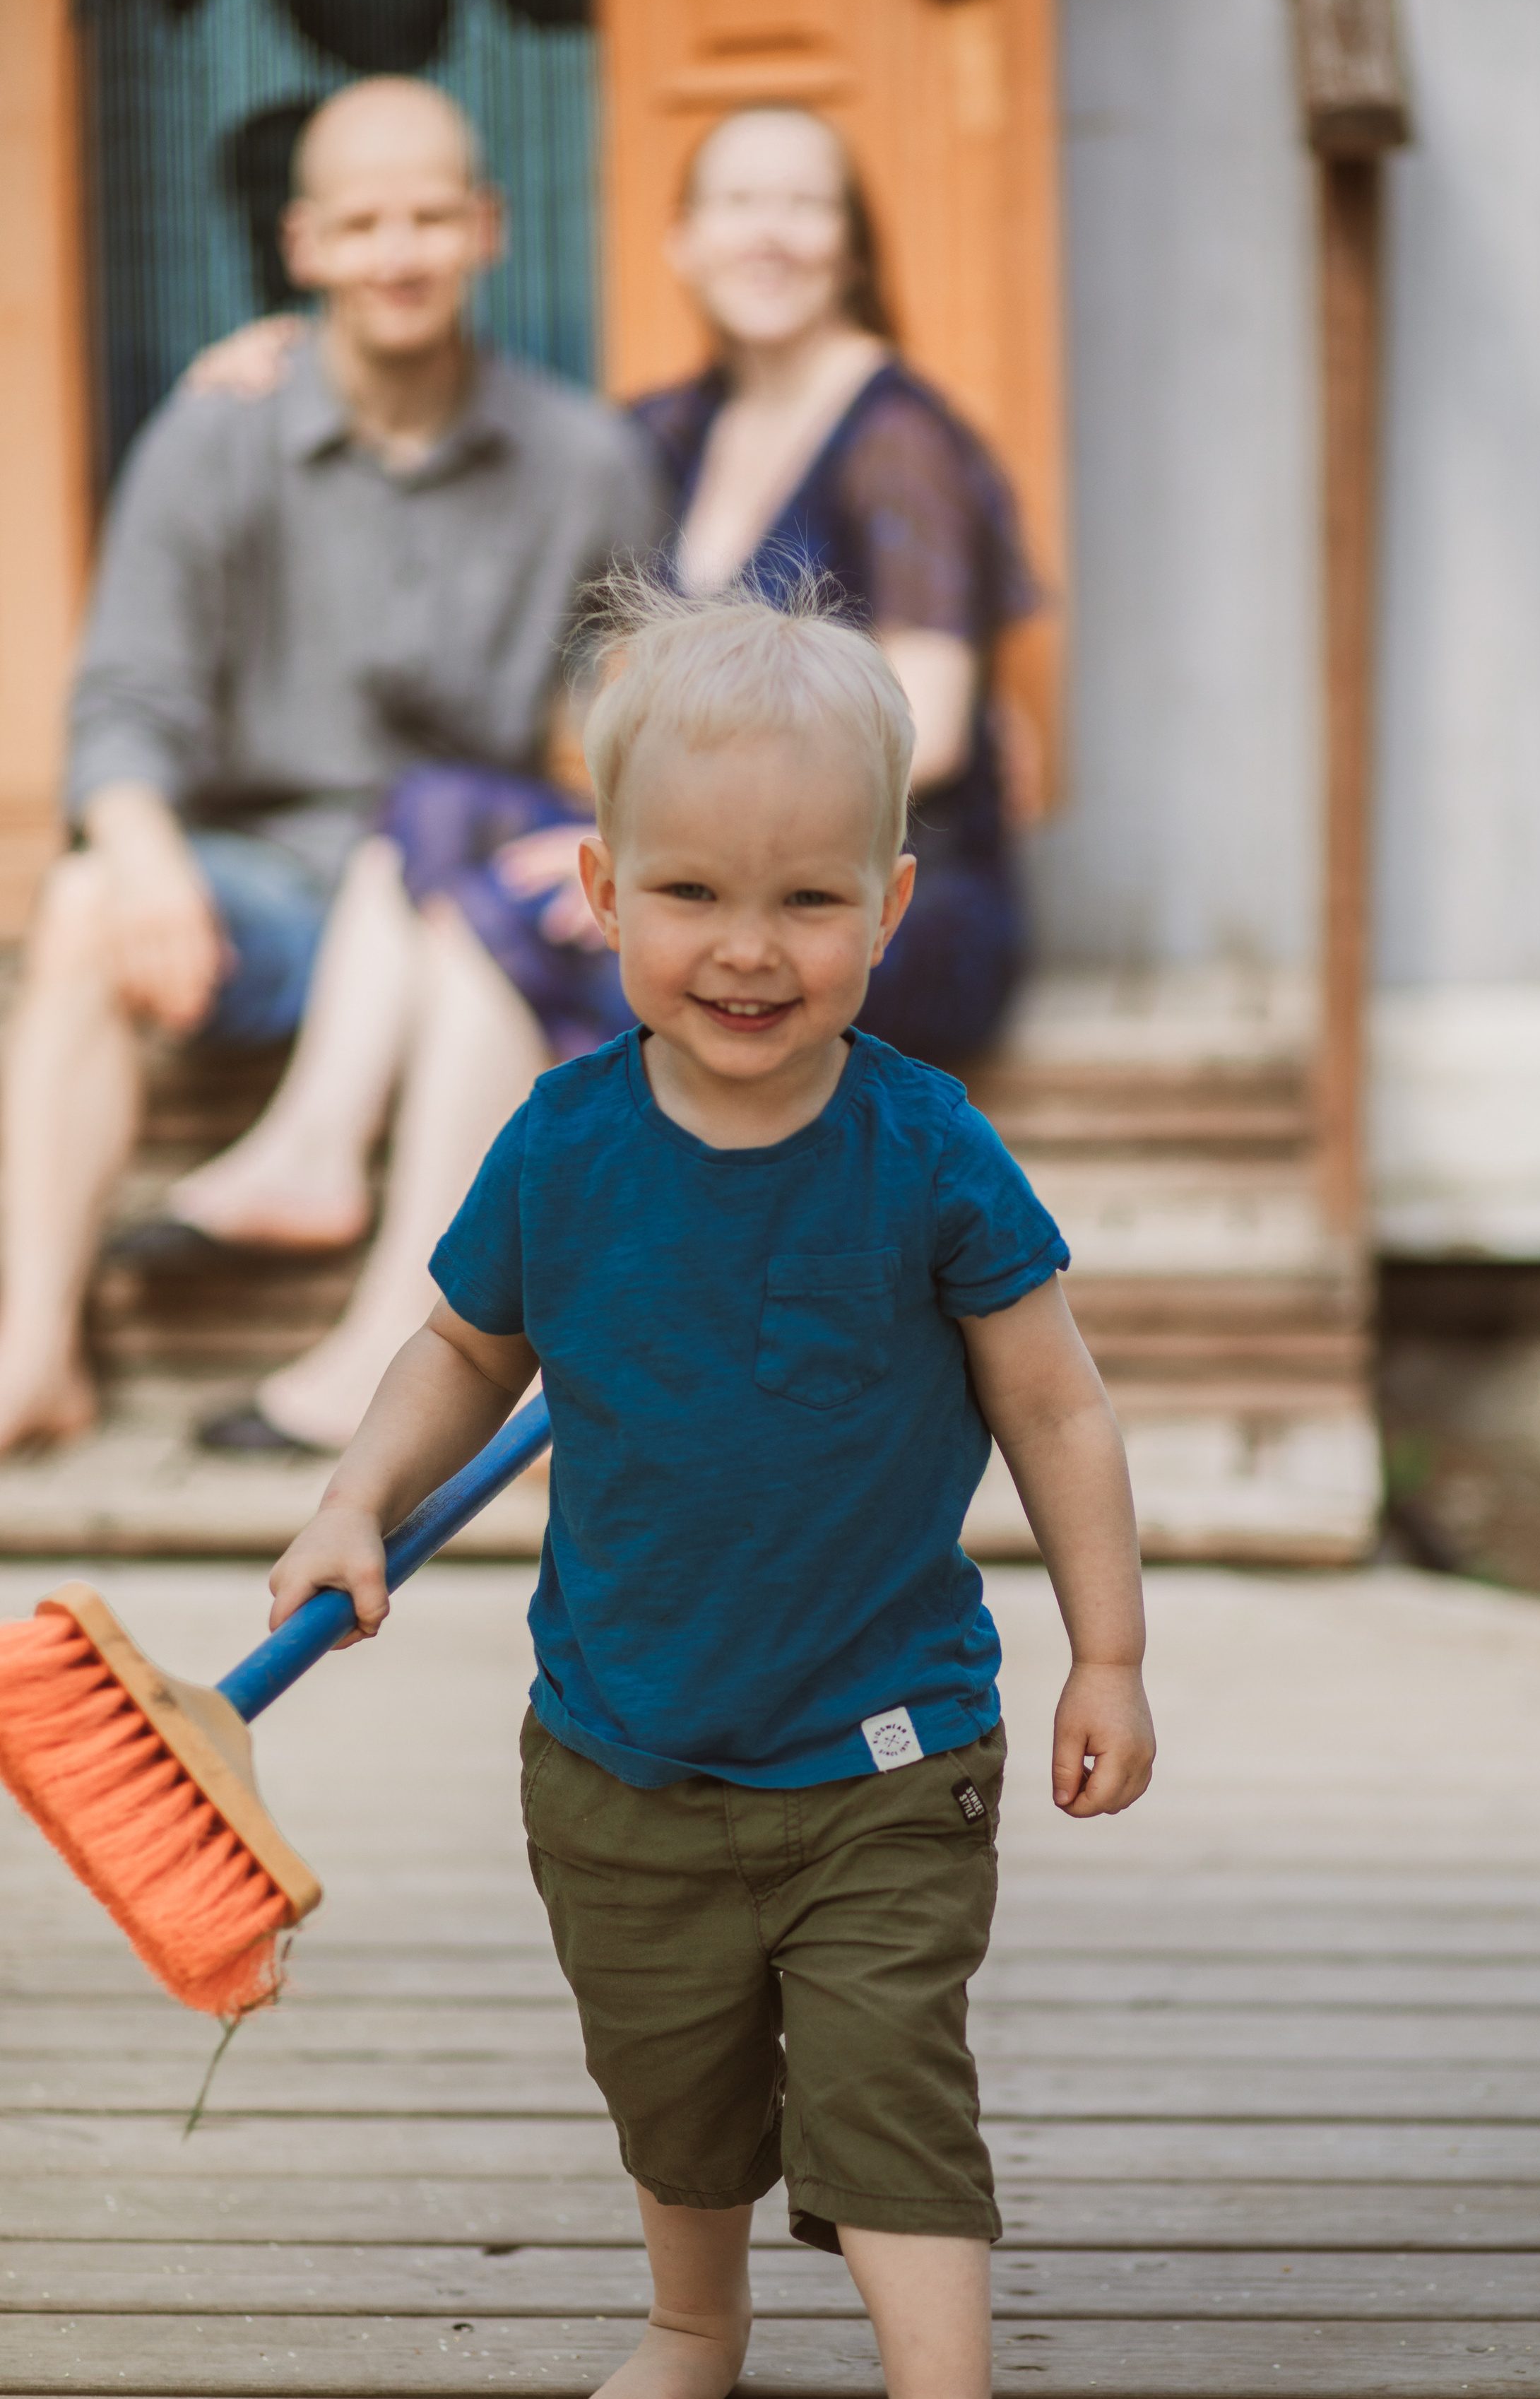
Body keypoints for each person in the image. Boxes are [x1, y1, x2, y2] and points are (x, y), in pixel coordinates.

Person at [268, 574, 1154, 2399]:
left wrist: (1109, 1649)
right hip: (620, 1742)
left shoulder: (929, 1157)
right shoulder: (565, 1147)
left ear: (894, 905)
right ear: (597, 887)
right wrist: (354, 1496)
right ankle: (699, 2319)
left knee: (886, 2078)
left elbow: (1062, 1411)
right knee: (670, 2083)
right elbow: (460, 1353)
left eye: (808, 903)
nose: (748, 951)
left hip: (884, 1745)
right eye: (690, 896)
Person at [155, 98, 1036, 1455]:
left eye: (806, 203)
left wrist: (692, 870)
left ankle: (391, 1353)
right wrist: (284, 359)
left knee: (491, 929)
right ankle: (313, 1149)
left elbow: (937, 732)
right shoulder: (677, 429)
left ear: (854, 244)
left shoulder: (898, 436)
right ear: (679, 243)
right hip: (726, 858)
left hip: (866, 896)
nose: (772, 234)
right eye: (738, 202)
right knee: (436, 809)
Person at [0, 75, 657, 1458]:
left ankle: (383, 1343)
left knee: (456, 875)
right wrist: (142, 857)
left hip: (441, 899)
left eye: (430, 216)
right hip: (267, 894)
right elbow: (122, 698)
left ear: (488, 227)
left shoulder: (583, 458)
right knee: (73, 907)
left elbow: (632, 720)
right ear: (302, 248)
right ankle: (33, 1355)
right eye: (361, 224)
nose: (398, 252)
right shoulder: (213, 434)